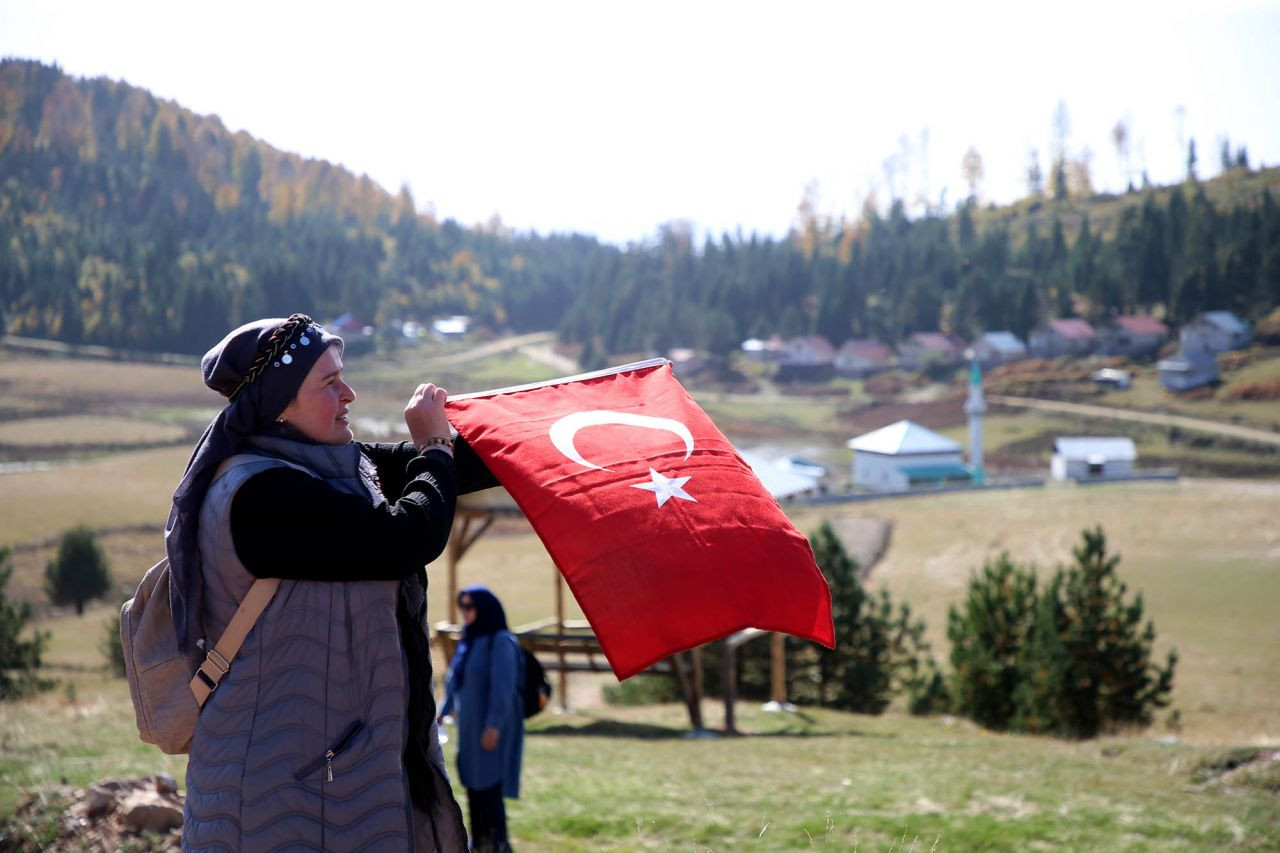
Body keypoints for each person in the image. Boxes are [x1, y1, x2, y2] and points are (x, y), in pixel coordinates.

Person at [168, 313, 496, 851]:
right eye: (328, 382)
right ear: (277, 406)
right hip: (279, 799)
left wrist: (552, 431)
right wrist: (435, 448)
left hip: (326, 785)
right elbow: (407, 537)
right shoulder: (260, 497)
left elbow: (458, 468)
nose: (350, 394)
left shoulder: (331, 467)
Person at [440, 586, 525, 852]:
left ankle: (497, 844)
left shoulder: (500, 641)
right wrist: (442, 711)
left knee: (490, 790)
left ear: (485, 609)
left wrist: (493, 726)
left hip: (490, 729)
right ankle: (479, 844)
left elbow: (503, 690)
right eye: (462, 607)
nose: (465, 613)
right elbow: (454, 682)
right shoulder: (469, 640)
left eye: (470, 607)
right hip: (469, 729)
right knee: (474, 788)